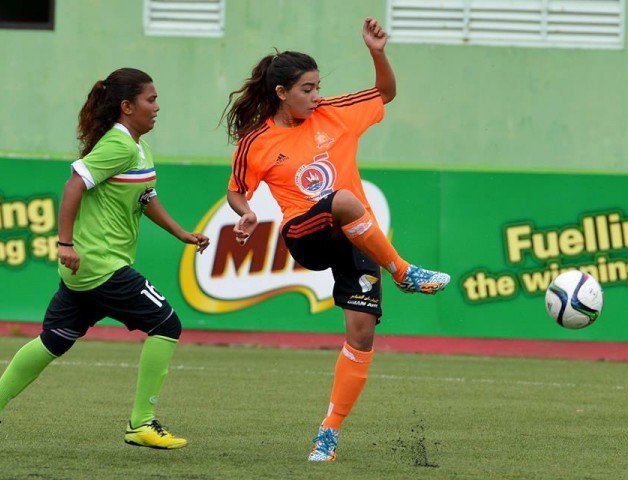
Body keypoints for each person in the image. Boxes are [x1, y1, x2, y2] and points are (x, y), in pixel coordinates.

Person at [222, 18, 450, 461]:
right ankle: (404, 271)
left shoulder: (335, 114)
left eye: (318, 86)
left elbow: (385, 93)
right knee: (344, 198)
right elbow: (236, 190)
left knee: (361, 336)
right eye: (307, 89)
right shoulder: (258, 142)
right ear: (282, 93)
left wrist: (377, 52)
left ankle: (328, 432)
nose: (317, 96)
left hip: (356, 241)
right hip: (305, 235)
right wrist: (247, 211)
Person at [0, 68, 209, 449]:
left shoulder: (139, 146)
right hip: (101, 265)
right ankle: (141, 423)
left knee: (54, 340)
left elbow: (145, 198)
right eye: (151, 100)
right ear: (127, 106)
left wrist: (180, 232)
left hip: (88, 270)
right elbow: (73, 185)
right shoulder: (120, 145)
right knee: (167, 324)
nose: (157, 107)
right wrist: (65, 244)